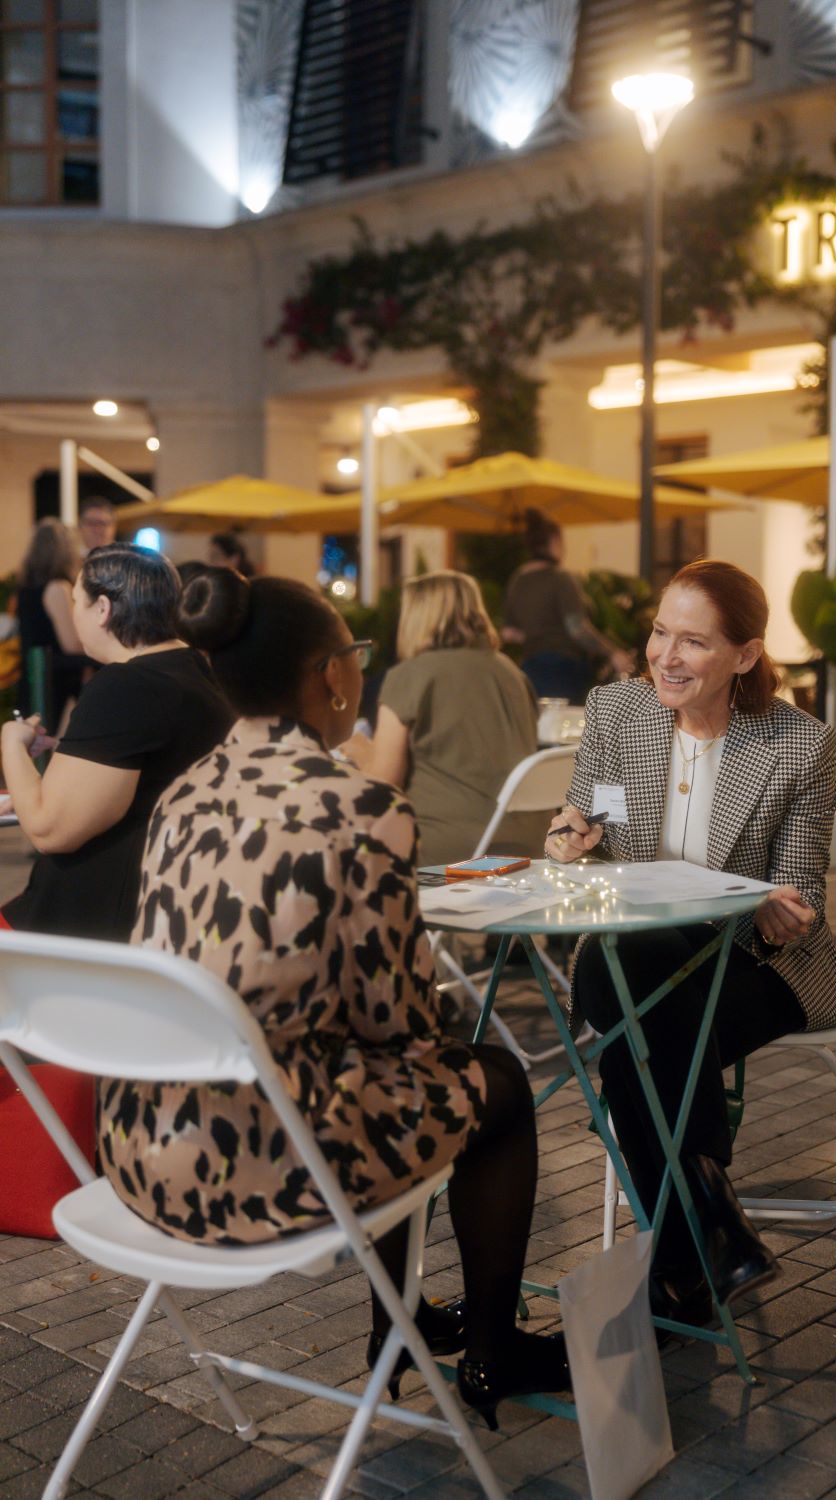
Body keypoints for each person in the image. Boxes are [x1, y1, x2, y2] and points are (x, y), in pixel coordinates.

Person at [96, 568, 570, 1425]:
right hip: (261, 1171)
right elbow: (401, 1029)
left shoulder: (182, 797)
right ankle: (493, 1351)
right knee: (490, 1082)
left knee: (372, 1075)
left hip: (142, 1154)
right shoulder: (362, 809)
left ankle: (403, 1324)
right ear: (332, 677)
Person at [545, 559, 836, 1325]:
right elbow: (582, 814)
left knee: (627, 1035)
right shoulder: (618, 712)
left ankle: (685, 1251)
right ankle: (711, 1229)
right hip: (642, 957)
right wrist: (570, 835)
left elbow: (802, 894)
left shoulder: (797, 744)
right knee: (623, 977)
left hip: (754, 966)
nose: (665, 655)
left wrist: (782, 909)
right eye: (660, 632)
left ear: (745, 656)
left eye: (693, 642)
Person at [0, 544, 232, 942]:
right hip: (165, 906)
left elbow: (48, 828)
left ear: (103, 609)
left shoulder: (128, 685)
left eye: (76, 601)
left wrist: (11, 743)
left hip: (90, 924)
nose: (73, 613)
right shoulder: (197, 671)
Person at [350, 570, 541, 866]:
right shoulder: (512, 673)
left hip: (447, 848)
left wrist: (353, 747)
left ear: (415, 617)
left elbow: (383, 783)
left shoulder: (410, 675)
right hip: (529, 843)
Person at [503, 508, 632, 701]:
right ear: (554, 541)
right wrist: (613, 652)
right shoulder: (561, 578)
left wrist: (536, 633)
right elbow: (577, 628)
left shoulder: (517, 580)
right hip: (562, 669)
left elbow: (509, 633)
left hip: (530, 669)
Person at [14, 518, 87, 729]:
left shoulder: (25, 588)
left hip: (34, 676)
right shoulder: (57, 588)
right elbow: (71, 644)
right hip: (54, 682)